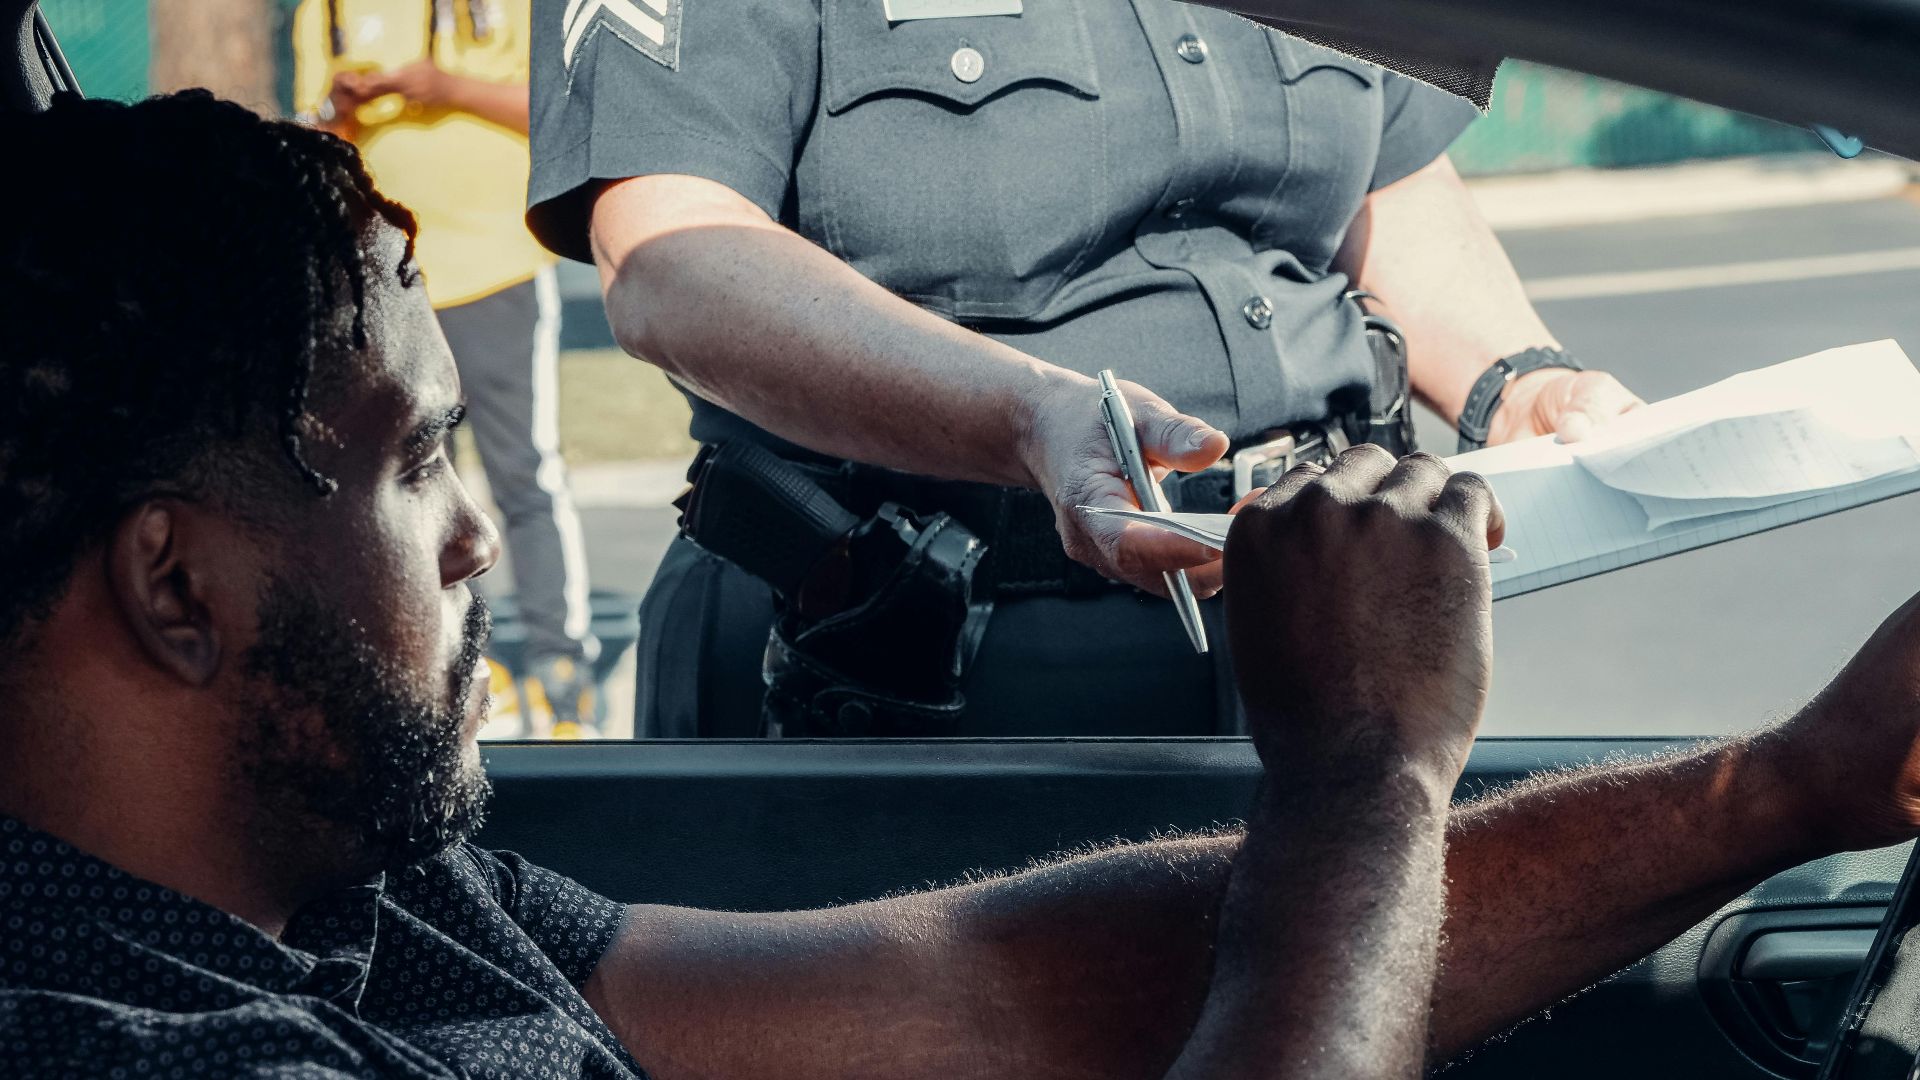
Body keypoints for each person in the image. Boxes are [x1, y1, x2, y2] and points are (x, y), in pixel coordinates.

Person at [10, 89, 1920, 1079]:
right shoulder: (128, 1044)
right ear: (176, 585)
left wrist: (1790, 786)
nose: (485, 537)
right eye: (421, 461)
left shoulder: (357, 897)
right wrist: (1364, 784)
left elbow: (993, 1000)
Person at [524, 0, 1646, 737]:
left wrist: (1520, 380)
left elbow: (1383, 172)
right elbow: (672, 259)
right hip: (913, 659)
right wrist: (1025, 417)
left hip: (1339, 614)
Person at [294, 0, 602, 736]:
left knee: (524, 474)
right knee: (406, 484)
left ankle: (564, 678)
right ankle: (457, 669)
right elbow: (320, 139)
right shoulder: (326, 9)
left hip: (496, 269)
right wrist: (340, 109)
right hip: (391, 281)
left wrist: (445, 87)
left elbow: (563, 117)